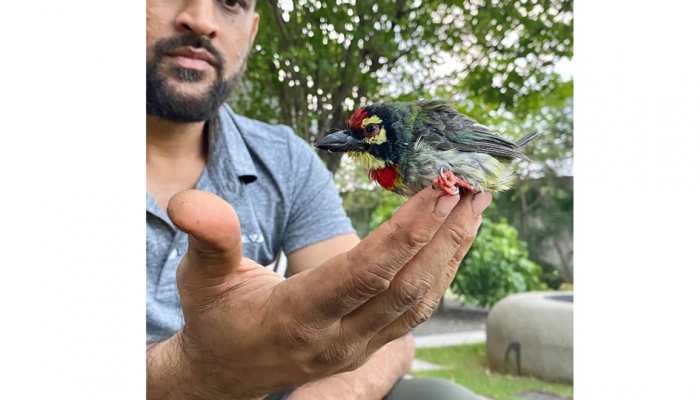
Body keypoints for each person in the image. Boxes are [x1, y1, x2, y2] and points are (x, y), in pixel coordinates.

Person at [146, 1, 491, 399]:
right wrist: (195, 374)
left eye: (231, 2)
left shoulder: (284, 157)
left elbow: (384, 333)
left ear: (252, 30)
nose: (202, 20)